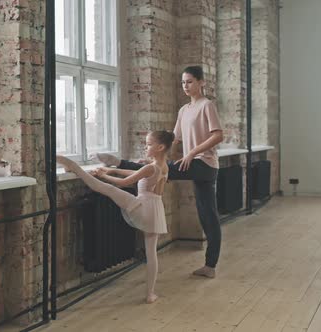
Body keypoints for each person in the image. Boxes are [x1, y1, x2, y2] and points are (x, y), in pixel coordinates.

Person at [94, 65, 223, 279]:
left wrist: (191, 153)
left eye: (190, 81)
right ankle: (210, 266)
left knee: (153, 171)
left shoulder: (206, 105)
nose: (186, 86)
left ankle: (117, 162)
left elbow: (218, 135)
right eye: (183, 82)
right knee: (207, 215)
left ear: (201, 82)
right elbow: (172, 140)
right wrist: (154, 156)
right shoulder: (184, 110)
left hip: (205, 164)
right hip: (196, 165)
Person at [57, 131, 174, 304]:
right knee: (152, 254)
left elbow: (125, 182)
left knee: (108, 188)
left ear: (160, 147)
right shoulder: (163, 165)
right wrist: (111, 169)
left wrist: (104, 175)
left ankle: (74, 167)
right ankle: (150, 294)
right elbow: (135, 173)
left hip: (142, 206)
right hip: (154, 209)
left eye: (148, 144)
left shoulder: (151, 167)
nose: (145, 146)